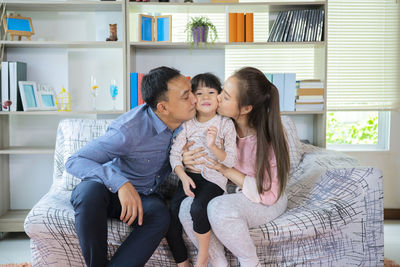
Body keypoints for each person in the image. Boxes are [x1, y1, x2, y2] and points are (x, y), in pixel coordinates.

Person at [65, 66, 197, 267]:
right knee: (88, 192)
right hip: (108, 191)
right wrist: (121, 184)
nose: (194, 99)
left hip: (144, 196)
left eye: (192, 92)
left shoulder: (192, 124)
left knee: (161, 214)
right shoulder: (128, 130)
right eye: (186, 96)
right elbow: (75, 160)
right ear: (163, 107)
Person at [179, 67, 290, 267]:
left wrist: (224, 169)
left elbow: (268, 193)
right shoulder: (220, 124)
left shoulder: (266, 138)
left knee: (218, 208)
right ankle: (218, 263)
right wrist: (186, 159)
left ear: (246, 108)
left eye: (226, 96)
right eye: (222, 91)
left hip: (266, 199)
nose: (218, 98)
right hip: (230, 191)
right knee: (187, 207)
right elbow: (191, 147)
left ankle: (250, 262)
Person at [166, 73, 236, 267]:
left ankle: (203, 256)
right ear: (192, 99)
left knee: (197, 209)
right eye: (200, 93)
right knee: (170, 215)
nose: (206, 97)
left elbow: (230, 160)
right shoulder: (187, 124)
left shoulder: (225, 124)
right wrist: (182, 176)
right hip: (189, 178)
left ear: (219, 97)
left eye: (211, 92)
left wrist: (213, 146)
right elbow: (174, 155)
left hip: (213, 180)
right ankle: (182, 262)